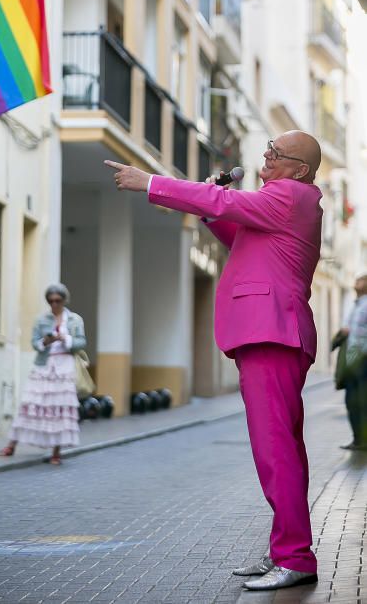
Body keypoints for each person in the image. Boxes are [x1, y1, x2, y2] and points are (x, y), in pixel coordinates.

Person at [105, 130, 323, 591]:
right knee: (282, 450)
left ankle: (295, 556)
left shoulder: (288, 195)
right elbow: (239, 234)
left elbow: (225, 205)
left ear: (299, 169)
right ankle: (288, 548)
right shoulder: (286, 202)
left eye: (276, 153)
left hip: (272, 335)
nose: (265, 156)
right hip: (273, 335)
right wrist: (211, 205)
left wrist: (151, 182)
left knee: (275, 451)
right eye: (267, 147)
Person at [0, 284, 86, 465]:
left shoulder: (75, 320)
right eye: (51, 301)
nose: (54, 304)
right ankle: (12, 445)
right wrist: (45, 341)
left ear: (64, 300)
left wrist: (66, 338)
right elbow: (34, 343)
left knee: (59, 409)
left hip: (64, 368)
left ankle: (56, 452)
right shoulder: (42, 320)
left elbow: (81, 342)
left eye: (58, 301)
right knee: (30, 404)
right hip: (43, 366)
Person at [335, 272, 367, 451]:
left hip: (363, 360)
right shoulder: (355, 305)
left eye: (360, 280)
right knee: (351, 400)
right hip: (352, 360)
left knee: (362, 401)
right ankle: (358, 439)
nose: (356, 283)